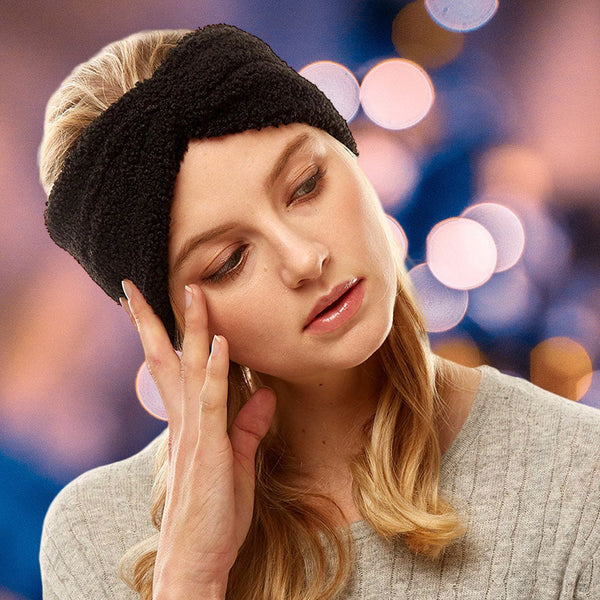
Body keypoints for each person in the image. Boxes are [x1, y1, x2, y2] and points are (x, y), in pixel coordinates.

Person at [38, 24, 600, 600]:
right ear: (167, 325)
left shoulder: (580, 475)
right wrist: (191, 580)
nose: (304, 258)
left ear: (353, 157)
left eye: (306, 186)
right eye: (230, 260)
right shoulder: (95, 540)